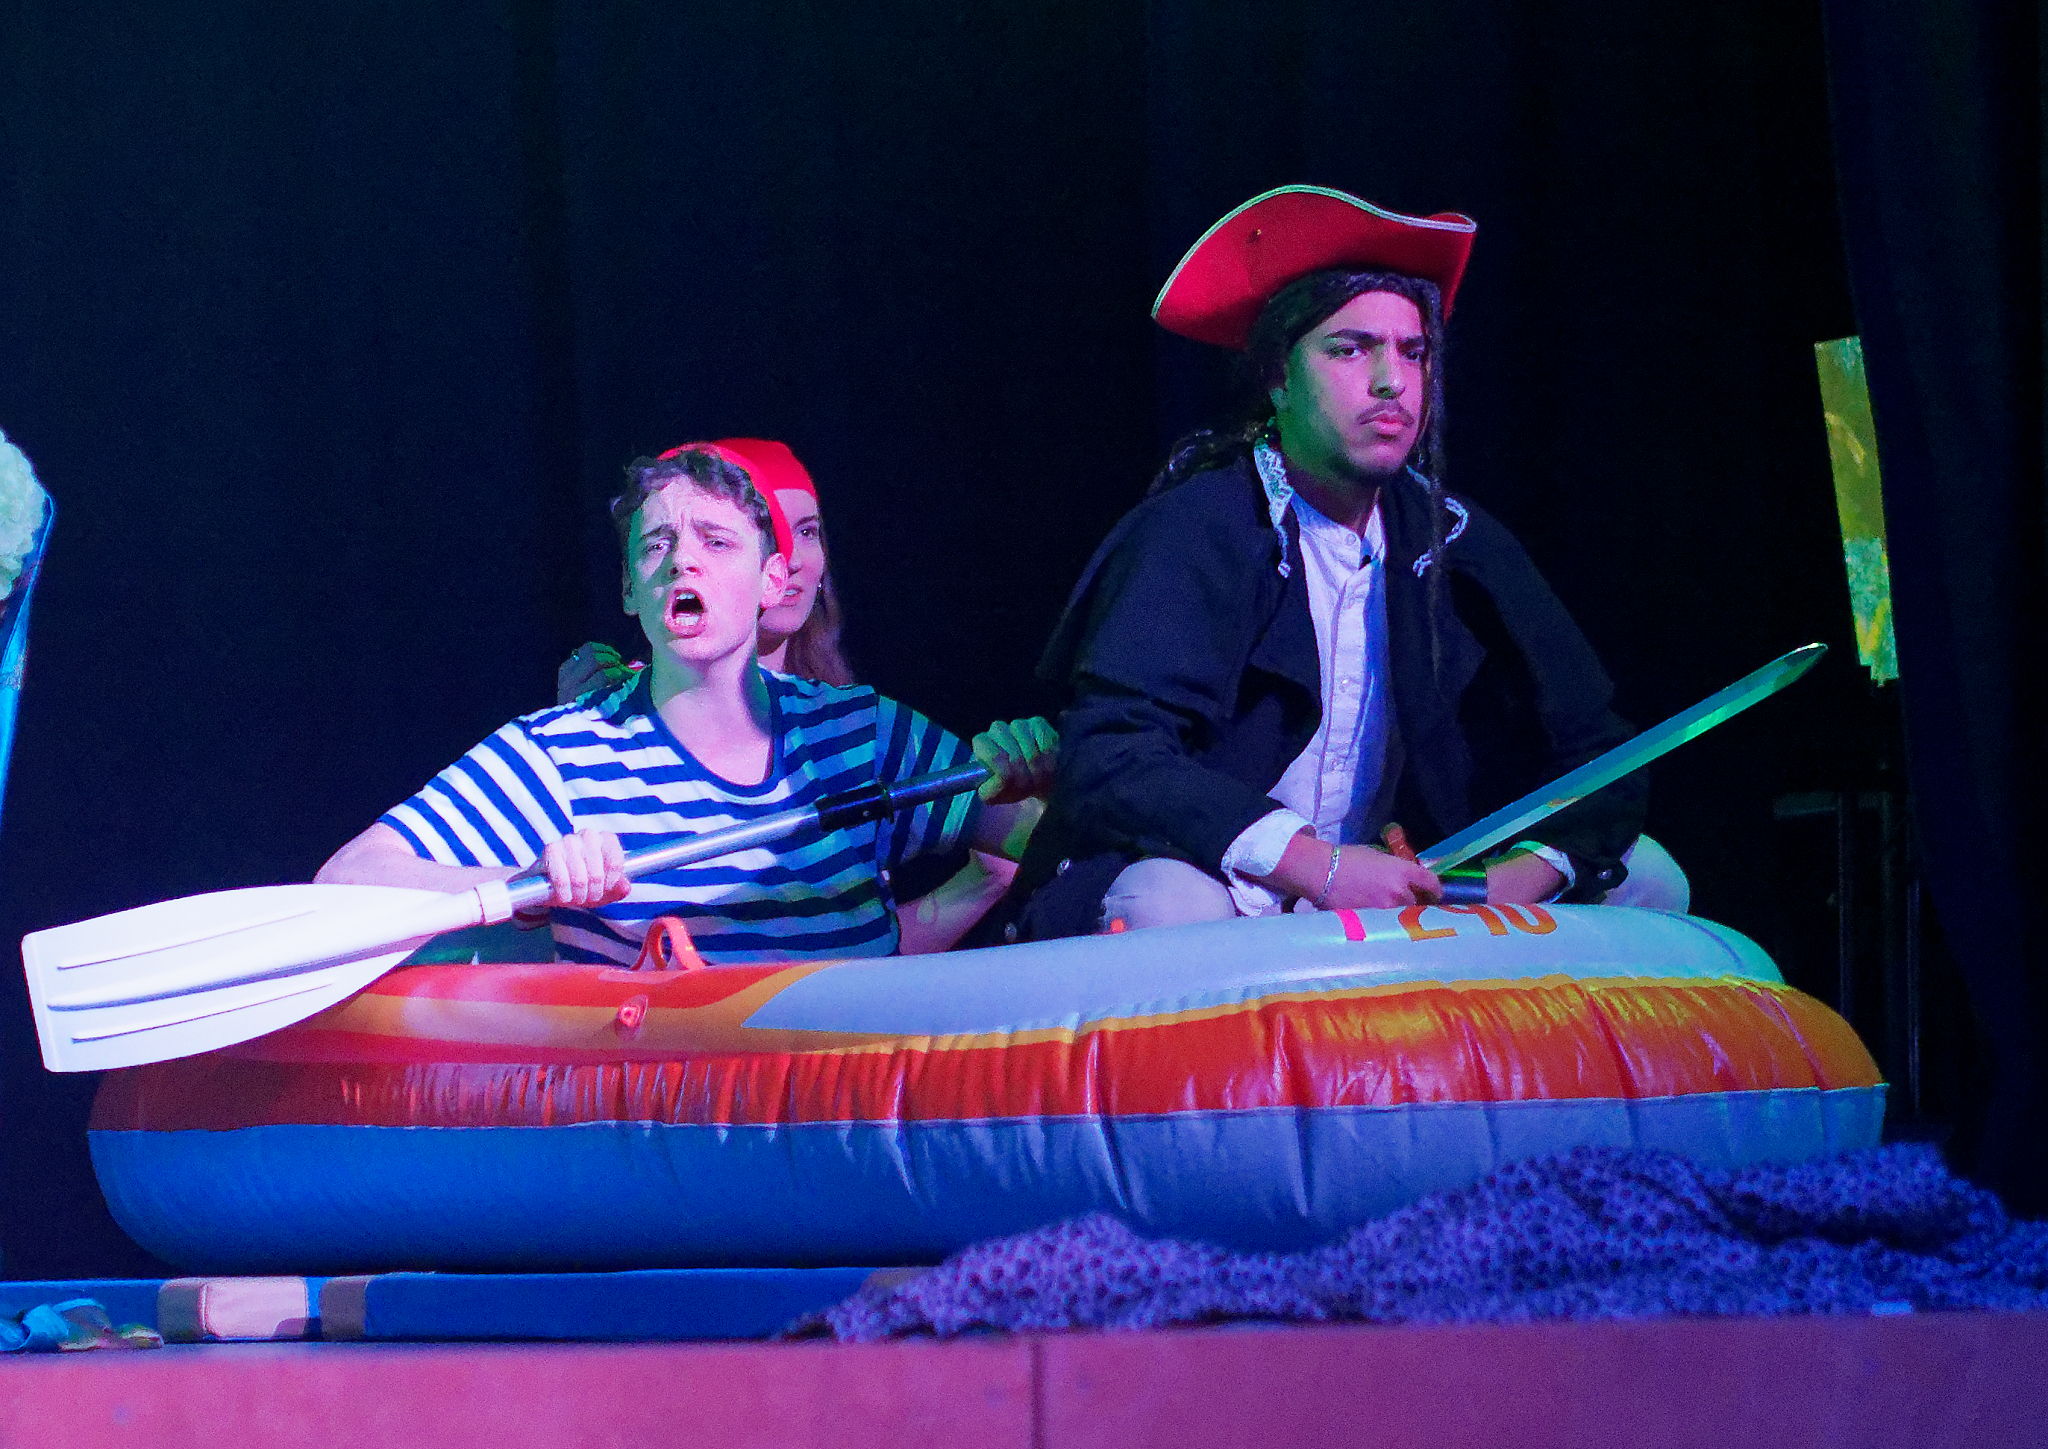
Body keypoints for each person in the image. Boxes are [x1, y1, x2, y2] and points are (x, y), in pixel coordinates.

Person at [1011, 185, 1687, 938]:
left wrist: (1515, 878)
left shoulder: (1457, 539)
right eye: (1350, 349)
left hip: (1396, 876)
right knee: (1170, 906)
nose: (1391, 381)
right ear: (1277, 378)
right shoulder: (1199, 529)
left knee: (1649, 875)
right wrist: (1317, 866)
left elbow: (1602, 749)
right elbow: (1113, 752)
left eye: (1412, 352)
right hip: (1225, 874)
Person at [318, 446, 1053, 964]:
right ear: (630, 590)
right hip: (670, 1123)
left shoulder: (861, 733)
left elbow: (1038, 840)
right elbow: (349, 876)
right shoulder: (562, 753)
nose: (683, 560)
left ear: (772, 581)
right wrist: (525, 885)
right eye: (657, 545)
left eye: (716, 541)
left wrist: (1039, 779)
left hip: (846, 1113)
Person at [554, 438, 1045, 953]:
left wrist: (1034, 799)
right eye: (765, 531)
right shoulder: (618, 718)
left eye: (806, 531)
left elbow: (844, 941)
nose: (788, 558)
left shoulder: (858, 725)